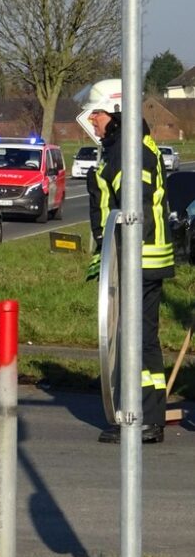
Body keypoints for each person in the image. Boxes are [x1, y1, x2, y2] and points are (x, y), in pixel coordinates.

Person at [78, 78, 174, 444]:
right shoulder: (124, 148)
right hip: (131, 259)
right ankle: (142, 413)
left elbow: (139, 209)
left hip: (140, 260)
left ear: (116, 113)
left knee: (138, 340)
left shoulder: (131, 152)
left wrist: (124, 255)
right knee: (135, 338)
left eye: (98, 114)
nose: (94, 122)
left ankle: (144, 418)